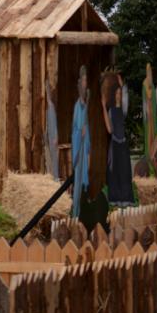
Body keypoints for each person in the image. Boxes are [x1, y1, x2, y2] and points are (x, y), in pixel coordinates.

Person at [102, 73, 134, 206]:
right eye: (117, 93)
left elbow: (126, 98)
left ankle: (126, 200)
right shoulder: (111, 111)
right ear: (114, 95)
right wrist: (103, 106)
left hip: (123, 146)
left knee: (125, 172)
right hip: (115, 145)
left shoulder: (123, 110)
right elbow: (109, 129)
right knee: (115, 173)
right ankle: (115, 200)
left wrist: (122, 85)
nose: (119, 96)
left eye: (120, 94)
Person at [70, 66, 91, 218]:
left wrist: (87, 136)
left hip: (85, 148)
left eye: (86, 81)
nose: (85, 84)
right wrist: (80, 134)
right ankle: (76, 213)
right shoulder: (78, 106)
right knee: (77, 183)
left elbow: (86, 126)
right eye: (83, 81)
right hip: (79, 149)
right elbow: (75, 130)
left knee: (85, 183)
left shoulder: (85, 104)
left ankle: (83, 213)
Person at [44, 79, 59, 180]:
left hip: (52, 137)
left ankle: (54, 177)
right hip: (48, 137)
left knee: (53, 157)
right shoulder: (48, 108)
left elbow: (53, 124)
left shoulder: (51, 107)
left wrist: (55, 136)